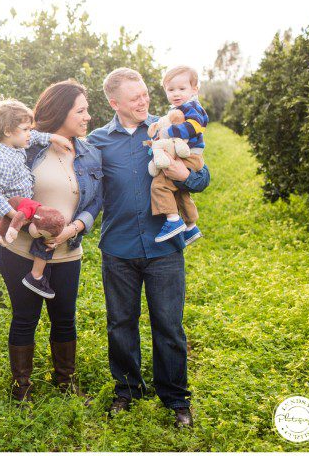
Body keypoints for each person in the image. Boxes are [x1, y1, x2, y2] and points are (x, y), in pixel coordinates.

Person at [87, 67, 211, 428]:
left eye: (144, 94)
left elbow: (202, 178)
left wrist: (182, 173)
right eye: (134, 97)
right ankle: (127, 390)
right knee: (120, 323)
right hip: (119, 247)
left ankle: (175, 398)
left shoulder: (165, 127)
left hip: (164, 248)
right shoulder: (97, 140)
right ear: (114, 103)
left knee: (168, 326)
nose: (144, 101)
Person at [0, 80, 103, 403]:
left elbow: (95, 201)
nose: (88, 117)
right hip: (21, 250)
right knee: (25, 317)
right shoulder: (27, 143)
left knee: (64, 318)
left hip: (67, 251)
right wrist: (0, 213)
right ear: (62, 112)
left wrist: (71, 230)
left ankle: (65, 381)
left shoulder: (89, 153)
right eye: (81, 111)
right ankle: (22, 388)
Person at [0, 98, 73, 299]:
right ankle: (36, 275)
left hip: (21, 206)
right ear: (8, 130)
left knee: (42, 225)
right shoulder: (2, 160)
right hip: (19, 206)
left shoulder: (11, 145)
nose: (29, 134)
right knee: (52, 223)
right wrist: (14, 215)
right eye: (25, 129)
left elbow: (34, 138)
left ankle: (4, 233)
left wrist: (52, 138)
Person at [149, 65, 209, 244]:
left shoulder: (191, 107)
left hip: (189, 155)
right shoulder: (178, 109)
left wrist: (169, 132)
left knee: (159, 185)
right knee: (180, 193)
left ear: (194, 89)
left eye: (182, 89)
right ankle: (191, 227)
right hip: (186, 154)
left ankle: (173, 220)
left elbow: (196, 126)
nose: (176, 93)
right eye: (171, 89)